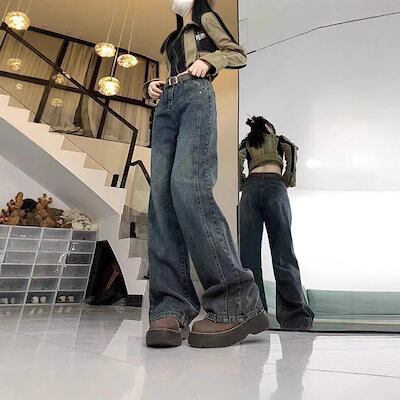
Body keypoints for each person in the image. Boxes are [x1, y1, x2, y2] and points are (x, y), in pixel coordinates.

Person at [142, 0, 269, 348]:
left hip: (196, 95)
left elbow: (236, 53)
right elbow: (171, 70)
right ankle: (170, 307)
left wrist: (210, 60)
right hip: (166, 104)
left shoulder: (205, 19)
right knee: (161, 199)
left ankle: (236, 303)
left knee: (188, 187)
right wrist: (152, 86)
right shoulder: (173, 39)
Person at [238, 116, 315, 330]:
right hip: (275, 186)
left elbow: (236, 161)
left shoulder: (248, 143)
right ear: (269, 127)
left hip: (251, 189)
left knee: (248, 256)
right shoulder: (280, 140)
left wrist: (242, 183)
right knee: (284, 252)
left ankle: (253, 315)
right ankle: (296, 318)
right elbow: (292, 153)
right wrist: (287, 180)